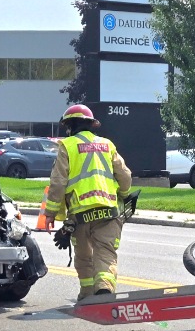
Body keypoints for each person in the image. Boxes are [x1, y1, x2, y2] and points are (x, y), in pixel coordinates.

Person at [43, 104, 132, 301]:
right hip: (108, 211)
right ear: (91, 125)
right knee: (105, 253)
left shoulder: (67, 146)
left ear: (71, 126)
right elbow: (124, 175)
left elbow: (58, 182)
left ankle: (86, 296)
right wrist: (124, 194)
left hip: (80, 215)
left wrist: (50, 214)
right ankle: (105, 289)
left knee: (84, 257)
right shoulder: (107, 145)